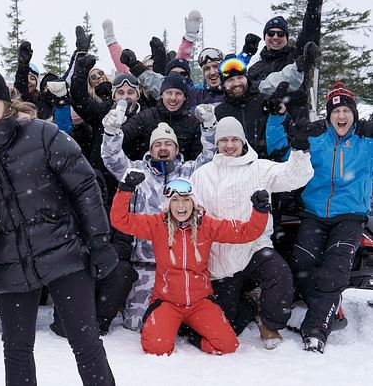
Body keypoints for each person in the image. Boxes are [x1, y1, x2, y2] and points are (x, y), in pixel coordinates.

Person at [0, 62, 117, 385]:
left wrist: (99, 243)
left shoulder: (42, 134)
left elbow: (84, 187)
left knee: (86, 345)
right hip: (9, 267)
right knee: (16, 351)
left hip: (64, 257)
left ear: (5, 103)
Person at [111, 173, 270, 355]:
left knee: (227, 345)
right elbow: (120, 220)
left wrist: (260, 211)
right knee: (156, 349)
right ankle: (169, 325)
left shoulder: (207, 226)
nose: (180, 206)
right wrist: (125, 189)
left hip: (199, 302)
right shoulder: (157, 225)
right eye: (175, 200)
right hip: (167, 302)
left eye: (186, 200)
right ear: (168, 204)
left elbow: (246, 232)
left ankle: (188, 333)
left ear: (194, 202)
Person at [190, 116, 313, 349]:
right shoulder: (202, 174)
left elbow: (296, 177)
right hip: (220, 252)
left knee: (279, 272)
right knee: (227, 320)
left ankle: (270, 323)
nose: (229, 145)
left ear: (243, 141)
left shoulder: (261, 168)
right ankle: (249, 303)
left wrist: (299, 149)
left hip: (254, 245)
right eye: (223, 140)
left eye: (234, 139)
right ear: (216, 143)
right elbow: (191, 209)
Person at [100, 110, 216, 330]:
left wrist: (209, 126)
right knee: (135, 325)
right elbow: (112, 159)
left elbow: (210, 155)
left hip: (179, 266)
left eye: (168, 144)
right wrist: (112, 132)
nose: (163, 148)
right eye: (158, 145)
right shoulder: (137, 171)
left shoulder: (189, 172)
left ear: (177, 149)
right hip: (145, 263)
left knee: (185, 325)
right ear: (151, 150)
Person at [284, 83, 373, 353]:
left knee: (335, 268)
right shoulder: (317, 138)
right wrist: (294, 138)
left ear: (354, 114)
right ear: (329, 114)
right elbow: (287, 157)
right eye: (337, 111)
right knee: (302, 263)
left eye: (347, 110)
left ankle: (316, 329)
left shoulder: (366, 141)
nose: (342, 116)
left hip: (350, 216)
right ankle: (329, 305)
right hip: (315, 214)